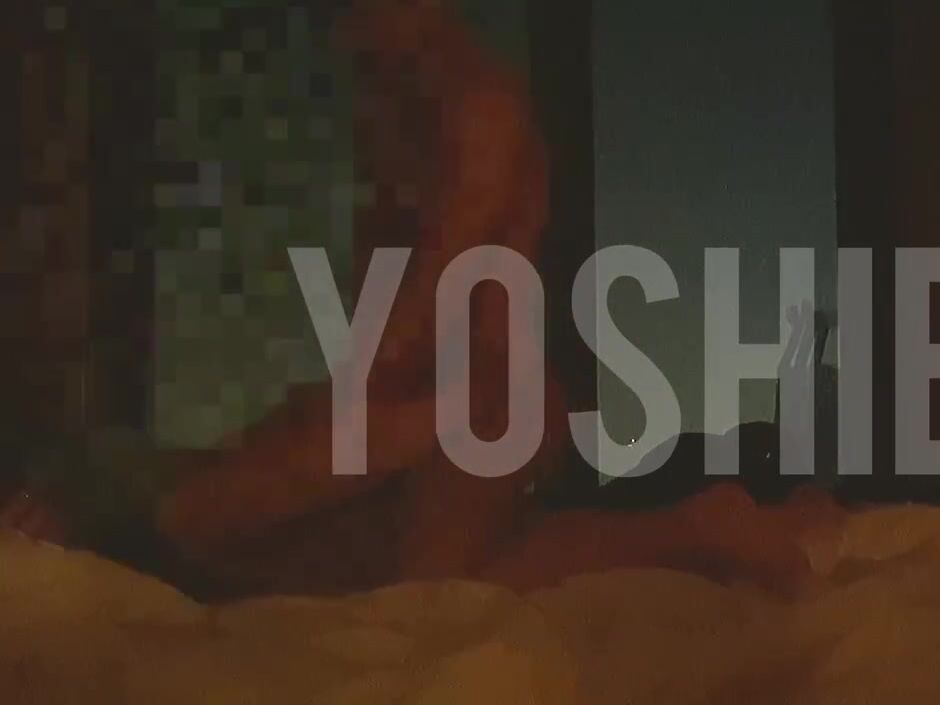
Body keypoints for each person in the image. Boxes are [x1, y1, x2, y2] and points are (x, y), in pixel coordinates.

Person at [1, 0, 832, 598]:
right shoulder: (404, 115)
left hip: (478, 401)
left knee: (428, 582)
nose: (346, 27)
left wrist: (359, 413)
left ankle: (694, 528)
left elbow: (444, 291)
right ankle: (700, 524)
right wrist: (339, 415)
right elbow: (395, 309)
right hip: (424, 400)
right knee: (226, 523)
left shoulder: (482, 112)